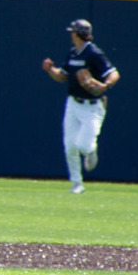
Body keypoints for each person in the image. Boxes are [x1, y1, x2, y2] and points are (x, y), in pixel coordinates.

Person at [41, 19, 120, 193]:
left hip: (92, 106)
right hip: (73, 103)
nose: (70, 34)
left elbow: (114, 73)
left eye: (72, 31)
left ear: (77, 33)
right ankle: (77, 183)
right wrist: (50, 69)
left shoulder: (93, 52)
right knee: (70, 145)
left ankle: (91, 150)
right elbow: (62, 76)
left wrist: (106, 86)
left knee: (83, 146)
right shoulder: (73, 53)